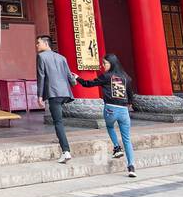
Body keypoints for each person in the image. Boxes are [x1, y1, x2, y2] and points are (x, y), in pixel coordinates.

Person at [72, 52, 137, 178]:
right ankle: (131, 167)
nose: (103, 66)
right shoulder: (126, 78)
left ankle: (117, 148)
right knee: (127, 140)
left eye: (105, 63)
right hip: (124, 111)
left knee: (110, 127)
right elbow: (130, 96)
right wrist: (128, 105)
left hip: (110, 110)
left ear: (111, 64)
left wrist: (77, 78)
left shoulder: (106, 77)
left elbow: (88, 84)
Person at [36, 34, 74, 164]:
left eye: (38, 43)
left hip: (54, 93)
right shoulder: (62, 57)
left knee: (58, 122)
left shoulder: (41, 57)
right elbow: (70, 77)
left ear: (46, 44)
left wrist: (40, 96)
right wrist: (74, 82)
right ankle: (61, 139)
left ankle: (66, 151)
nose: (37, 45)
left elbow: (41, 76)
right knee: (59, 121)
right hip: (65, 93)